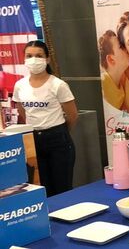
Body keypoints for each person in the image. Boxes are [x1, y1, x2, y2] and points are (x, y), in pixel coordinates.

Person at [12, 40, 78, 196]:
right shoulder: (20, 85)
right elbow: (22, 112)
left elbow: (72, 115)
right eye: (29, 56)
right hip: (33, 139)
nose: (33, 59)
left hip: (58, 139)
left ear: (47, 59)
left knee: (62, 188)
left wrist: (60, 131)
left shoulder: (58, 84)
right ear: (24, 59)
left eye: (39, 55)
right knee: (41, 187)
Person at [98, 30, 129, 110]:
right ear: (111, 59)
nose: (126, 49)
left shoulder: (120, 87)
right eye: (121, 47)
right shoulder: (102, 87)